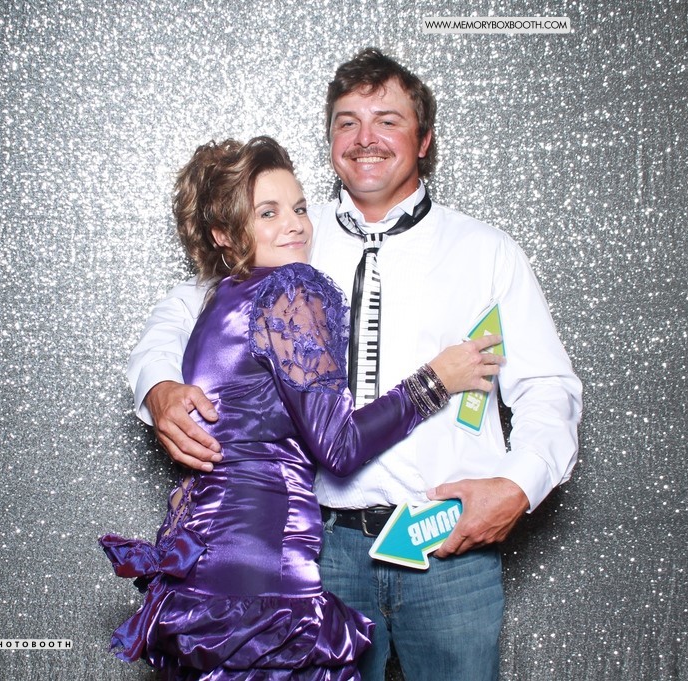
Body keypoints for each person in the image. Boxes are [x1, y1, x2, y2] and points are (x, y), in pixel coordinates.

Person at [127, 49, 583, 680]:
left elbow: (547, 386)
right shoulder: (291, 234)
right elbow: (186, 310)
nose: (365, 138)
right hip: (321, 546)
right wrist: (158, 387)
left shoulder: (486, 252)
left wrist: (518, 486)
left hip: (446, 549)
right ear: (331, 141)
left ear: (425, 140)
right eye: (348, 122)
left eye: (387, 120)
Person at [101, 136, 504, 679]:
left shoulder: (225, 296)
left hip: (206, 546)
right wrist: (436, 381)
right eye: (268, 213)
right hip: (262, 554)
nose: (294, 225)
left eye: (299, 208)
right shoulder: (291, 291)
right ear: (224, 233)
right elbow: (339, 447)